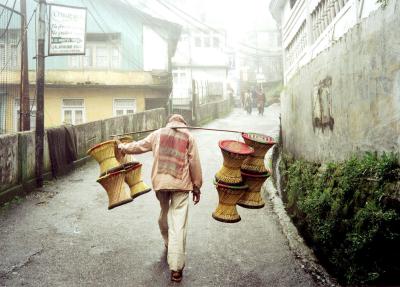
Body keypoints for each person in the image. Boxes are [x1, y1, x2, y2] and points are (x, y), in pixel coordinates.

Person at [117, 114, 202, 283]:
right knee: (178, 222)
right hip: (181, 184)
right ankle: (176, 268)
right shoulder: (189, 137)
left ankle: (168, 242)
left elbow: (138, 146)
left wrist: (121, 146)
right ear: (183, 124)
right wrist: (197, 186)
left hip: (161, 182)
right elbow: (194, 163)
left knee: (164, 210)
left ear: (169, 123)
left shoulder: (157, 134)